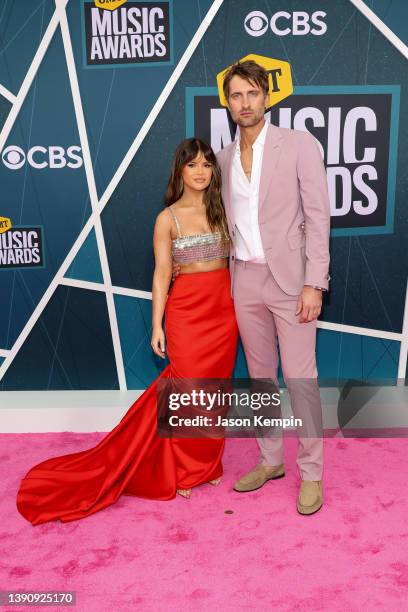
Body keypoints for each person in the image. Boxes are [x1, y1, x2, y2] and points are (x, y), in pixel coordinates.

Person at [16, 138, 238, 525]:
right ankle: (184, 469)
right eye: (193, 165)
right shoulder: (167, 218)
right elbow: (162, 273)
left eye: (207, 165)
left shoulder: (225, 212)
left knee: (214, 389)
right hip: (186, 314)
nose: (201, 172)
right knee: (186, 391)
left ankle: (206, 465)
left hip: (223, 316)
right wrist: (157, 324)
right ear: (180, 171)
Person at [175, 60, 330, 514]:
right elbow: (211, 221)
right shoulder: (220, 159)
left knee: (301, 380)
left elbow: (318, 218)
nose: (245, 103)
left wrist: (314, 283)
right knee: (261, 379)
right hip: (243, 280)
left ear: (267, 97)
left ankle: (313, 474)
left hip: (292, 282)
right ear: (228, 103)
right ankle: (269, 460)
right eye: (236, 96)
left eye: (252, 94)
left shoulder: (299, 144)